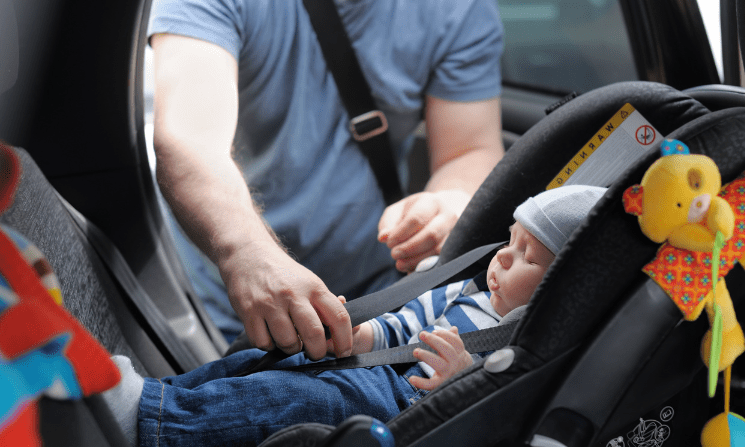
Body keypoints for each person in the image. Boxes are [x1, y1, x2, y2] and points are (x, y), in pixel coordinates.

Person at [102, 185, 607, 447]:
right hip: (375, 366)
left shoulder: (524, 341)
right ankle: (159, 397)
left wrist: (458, 378)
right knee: (262, 360)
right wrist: (360, 333)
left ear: (558, 286)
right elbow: (405, 324)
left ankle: (152, 427)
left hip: (405, 402)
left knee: (302, 400)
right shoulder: (466, 290)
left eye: (528, 259)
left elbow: (493, 404)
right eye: (509, 242)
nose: (502, 260)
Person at [147, 0, 506, 358]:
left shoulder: (459, 9)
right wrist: (244, 251)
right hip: (221, 299)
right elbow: (188, 141)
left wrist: (451, 201)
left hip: (375, 302)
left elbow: (470, 150)